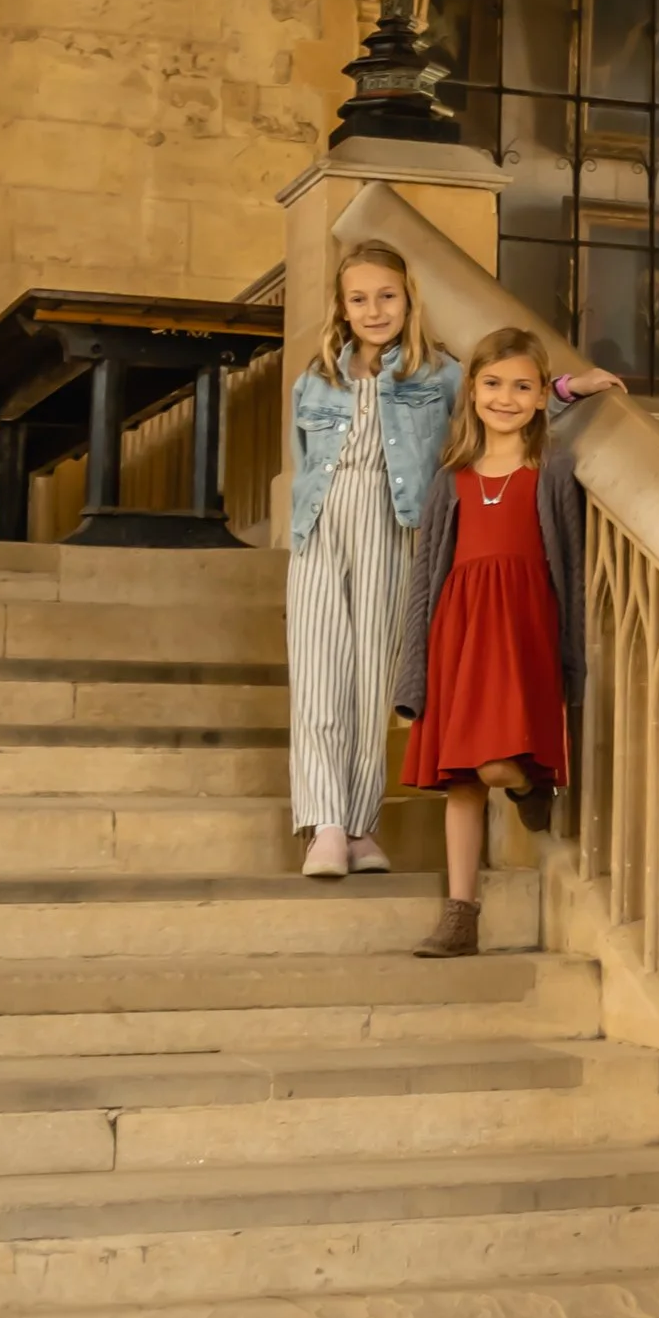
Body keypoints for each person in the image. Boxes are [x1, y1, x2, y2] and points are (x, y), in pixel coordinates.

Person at [394, 326, 615, 958]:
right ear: (471, 390)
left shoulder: (552, 471)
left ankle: (526, 785)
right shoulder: (451, 480)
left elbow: (568, 567)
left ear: (542, 397)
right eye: (492, 384)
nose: (506, 397)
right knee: (464, 781)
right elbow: (424, 581)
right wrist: (419, 667)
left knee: (497, 764)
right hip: (459, 636)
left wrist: (577, 385)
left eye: (523, 387)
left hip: (523, 635)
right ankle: (461, 915)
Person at [285, 241, 459, 879]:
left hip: (393, 528)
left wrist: (562, 388)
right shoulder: (317, 377)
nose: (374, 309)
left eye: (386, 295)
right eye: (359, 298)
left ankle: (360, 827)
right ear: (342, 306)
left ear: (407, 298)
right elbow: (304, 463)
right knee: (318, 676)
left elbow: (507, 403)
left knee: (370, 683)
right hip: (320, 530)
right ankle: (324, 825)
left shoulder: (438, 374)